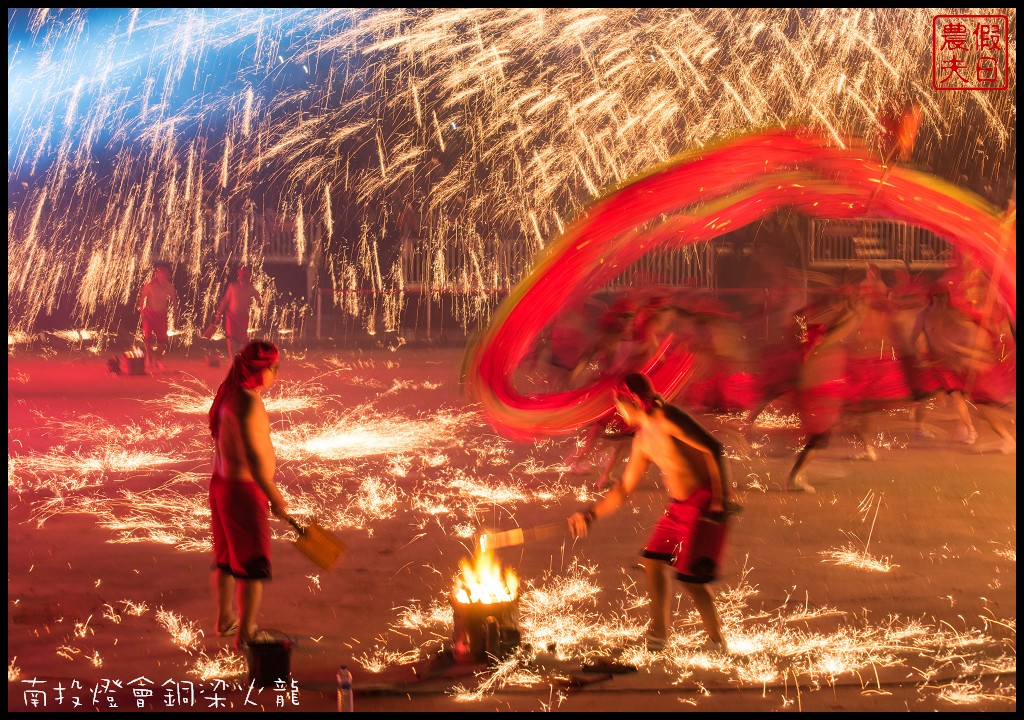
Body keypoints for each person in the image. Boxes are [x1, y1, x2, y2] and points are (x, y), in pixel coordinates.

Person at [568, 373, 731, 653]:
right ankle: (658, 636)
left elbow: (713, 448)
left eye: (618, 403)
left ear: (631, 399)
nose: (616, 410)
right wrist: (591, 514)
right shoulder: (642, 440)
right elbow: (623, 488)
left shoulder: (666, 418)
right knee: (653, 562)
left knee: (692, 580)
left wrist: (720, 500)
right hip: (678, 507)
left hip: (703, 503)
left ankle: (717, 643)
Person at [208, 340, 289, 649]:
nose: (277, 374)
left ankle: (225, 620)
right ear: (259, 370)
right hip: (243, 493)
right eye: (273, 368)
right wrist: (275, 496)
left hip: (221, 487)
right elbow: (255, 462)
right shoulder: (247, 402)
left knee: (228, 561)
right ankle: (246, 634)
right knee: (252, 569)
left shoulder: (228, 391)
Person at [215, 266, 262, 359]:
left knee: (242, 340)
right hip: (231, 317)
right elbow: (225, 300)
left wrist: (259, 302)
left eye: (246, 277)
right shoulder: (233, 286)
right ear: (240, 277)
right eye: (243, 277)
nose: (244, 279)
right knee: (231, 338)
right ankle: (233, 359)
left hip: (243, 318)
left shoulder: (250, 288)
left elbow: (257, 295)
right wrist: (219, 314)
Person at [138, 262, 176, 371]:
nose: (165, 276)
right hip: (149, 314)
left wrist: (176, 313)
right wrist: (142, 313)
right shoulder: (149, 285)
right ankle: (149, 358)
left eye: (166, 274)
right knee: (148, 338)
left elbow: (174, 300)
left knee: (162, 339)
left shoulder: (169, 287)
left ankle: (159, 360)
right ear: (158, 275)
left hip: (161, 315)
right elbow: (141, 301)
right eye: (162, 274)